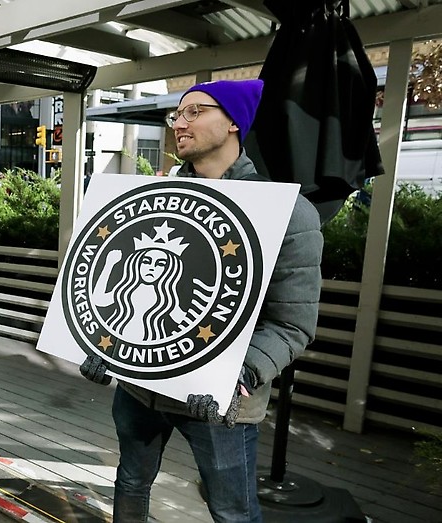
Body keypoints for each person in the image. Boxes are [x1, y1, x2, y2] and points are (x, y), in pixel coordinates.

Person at [79, 79, 323, 522]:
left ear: (233, 122)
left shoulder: (286, 212)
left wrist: (240, 374)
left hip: (219, 403)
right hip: (140, 388)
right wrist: (101, 345)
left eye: (195, 112)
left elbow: (293, 324)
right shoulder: (154, 198)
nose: (179, 123)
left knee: (232, 512)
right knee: (130, 482)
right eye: (177, 114)